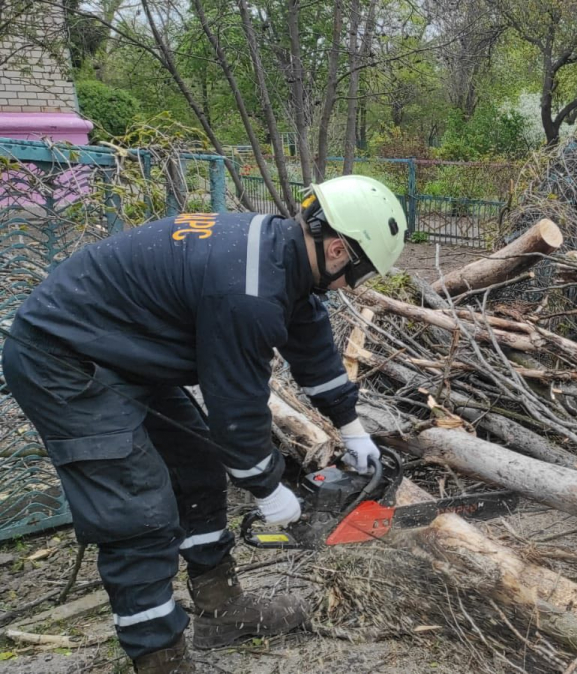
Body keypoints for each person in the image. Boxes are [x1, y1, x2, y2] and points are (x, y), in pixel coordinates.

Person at [2, 175, 408, 673]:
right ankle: (160, 657)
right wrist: (265, 486)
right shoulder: (249, 290)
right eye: (358, 274)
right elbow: (236, 406)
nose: (351, 286)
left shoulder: (280, 258)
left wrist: (351, 426)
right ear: (339, 249)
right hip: (62, 359)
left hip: (122, 353)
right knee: (139, 510)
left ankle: (221, 607)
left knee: (196, 466)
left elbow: (312, 346)